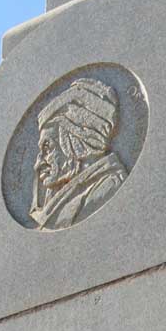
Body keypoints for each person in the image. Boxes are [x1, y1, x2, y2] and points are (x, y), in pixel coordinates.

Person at [30, 77, 127, 230]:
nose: (38, 163)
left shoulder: (107, 187)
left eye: (47, 148)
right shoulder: (59, 196)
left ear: (76, 143)